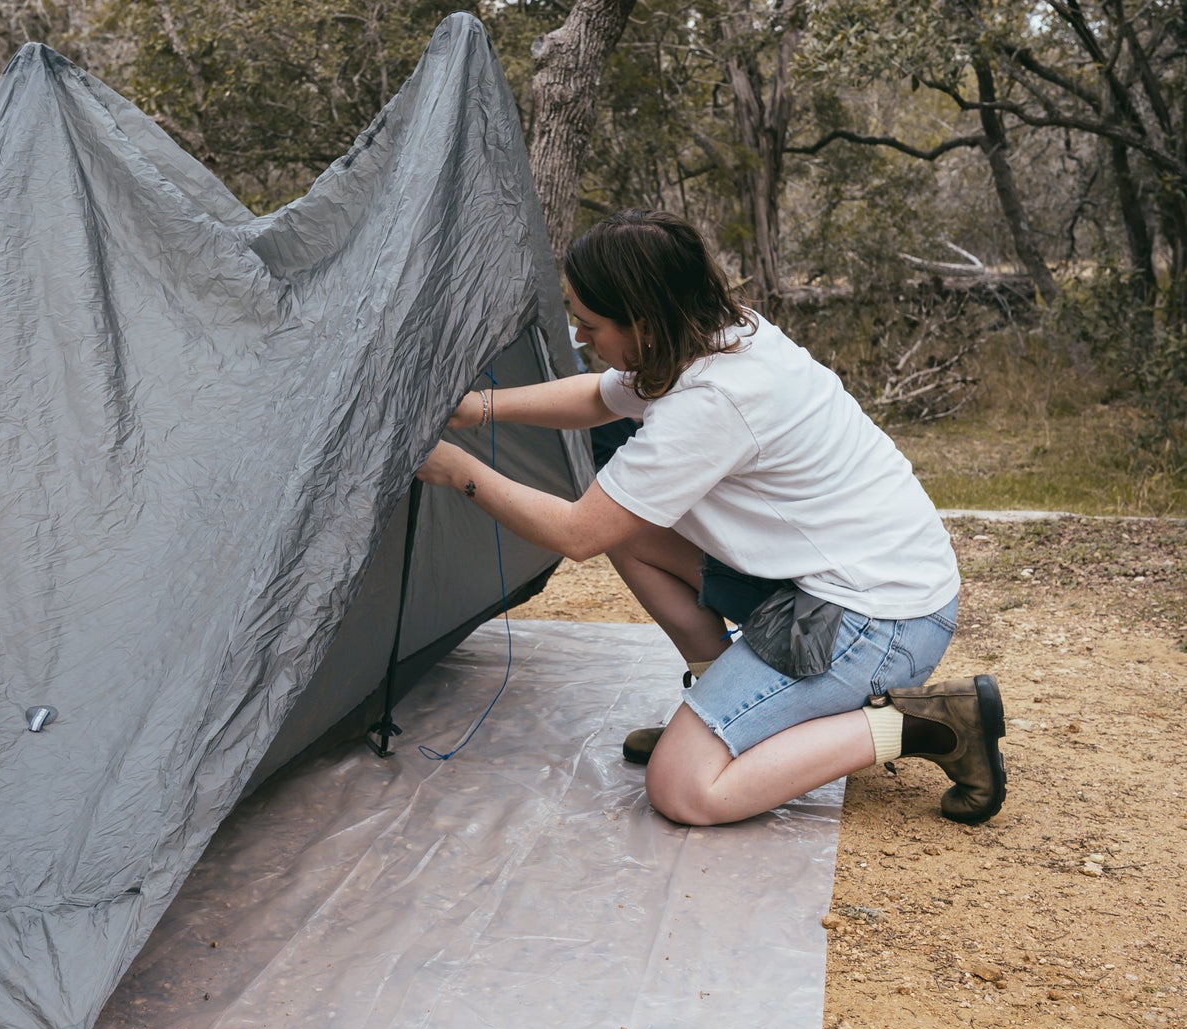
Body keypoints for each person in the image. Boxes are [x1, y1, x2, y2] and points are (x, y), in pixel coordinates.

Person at [416, 209, 1005, 828]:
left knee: (684, 790)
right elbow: (597, 397)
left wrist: (458, 471)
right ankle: (722, 703)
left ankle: (926, 725)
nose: (583, 339)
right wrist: (475, 408)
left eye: (590, 326)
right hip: (829, 581)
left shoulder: (715, 401)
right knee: (632, 530)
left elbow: (577, 534)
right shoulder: (711, 332)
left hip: (877, 619)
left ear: (643, 322)